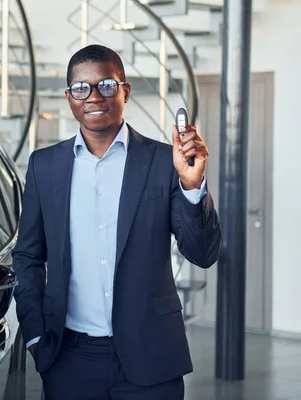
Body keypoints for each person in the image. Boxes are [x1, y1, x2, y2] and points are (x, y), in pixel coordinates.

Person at [11, 44, 222, 399]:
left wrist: (191, 184)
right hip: (68, 358)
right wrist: (34, 334)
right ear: (69, 97)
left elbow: (202, 253)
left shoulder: (161, 162)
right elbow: (28, 256)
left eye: (106, 84)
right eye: (81, 87)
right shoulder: (43, 166)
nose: (94, 96)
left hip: (151, 356)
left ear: (125, 91)